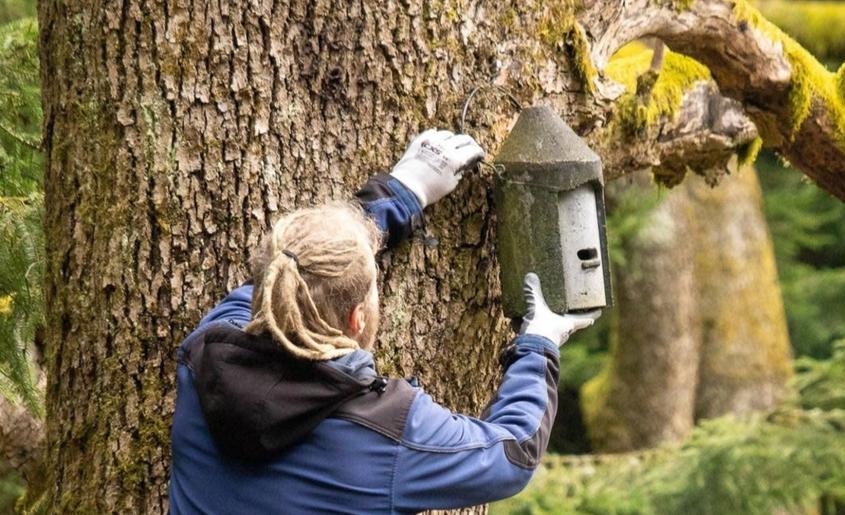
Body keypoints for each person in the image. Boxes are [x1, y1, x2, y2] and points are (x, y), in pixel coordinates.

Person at [168, 129, 600, 514]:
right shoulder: (387, 433)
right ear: (358, 319)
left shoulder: (204, 351)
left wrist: (404, 190)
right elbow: (512, 454)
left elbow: (290, 270)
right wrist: (539, 344)